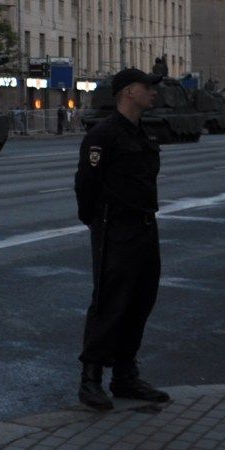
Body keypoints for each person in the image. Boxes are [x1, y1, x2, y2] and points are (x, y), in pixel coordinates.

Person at [73, 67, 171, 410]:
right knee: (109, 302)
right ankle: (90, 380)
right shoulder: (104, 135)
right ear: (128, 92)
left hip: (145, 226)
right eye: (148, 87)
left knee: (140, 301)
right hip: (116, 228)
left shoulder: (144, 133)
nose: (153, 92)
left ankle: (125, 376)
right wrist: (100, 224)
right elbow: (86, 186)